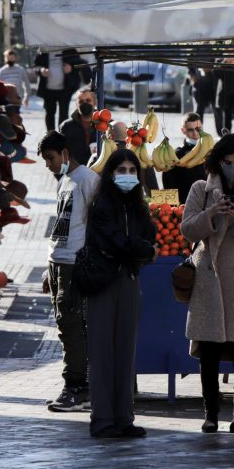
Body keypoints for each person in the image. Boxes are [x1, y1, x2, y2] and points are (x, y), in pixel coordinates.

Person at [181, 133, 234, 433]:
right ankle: (210, 414)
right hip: (208, 277)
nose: (232, 167)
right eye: (226, 162)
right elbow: (187, 230)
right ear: (217, 162)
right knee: (208, 351)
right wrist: (210, 214)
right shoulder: (200, 189)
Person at [84, 149, 157, 438]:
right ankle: (102, 418)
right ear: (110, 174)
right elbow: (119, 243)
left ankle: (124, 417)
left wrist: (142, 248)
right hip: (103, 280)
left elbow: (147, 235)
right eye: (121, 170)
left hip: (129, 279)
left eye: (131, 171)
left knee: (126, 350)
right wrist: (145, 250)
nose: (127, 176)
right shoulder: (101, 205)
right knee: (102, 351)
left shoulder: (139, 206)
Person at [39, 131, 101, 412]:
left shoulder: (87, 179)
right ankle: (75, 385)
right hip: (58, 261)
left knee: (72, 325)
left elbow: (97, 223)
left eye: (50, 158)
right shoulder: (64, 181)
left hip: (74, 264)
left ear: (64, 153)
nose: (48, 165)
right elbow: (61, 226)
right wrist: (47, 267)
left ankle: (77, 387)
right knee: (65, 326)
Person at [35, 48, 92, 132]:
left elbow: (80, 63)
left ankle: (62, 135)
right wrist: (41, 70)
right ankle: (51, 135)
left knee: (64, 114)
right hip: (48, 89)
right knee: (49, 113)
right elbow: (36, 66)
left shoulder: (69, 50)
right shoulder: (44, 50)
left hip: (65, 89)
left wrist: (71, 68)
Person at [161, 113, 207, 204]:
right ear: (183, 130)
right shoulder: (176, 155)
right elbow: (168, 188)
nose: (195, 133)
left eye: (198, 129)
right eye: (190, 130)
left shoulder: (211, 152)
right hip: (185, 208)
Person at [59, 88, 98, 167]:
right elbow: (59, 153)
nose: (84, 103)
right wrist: (62, 177)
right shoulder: (66, 126)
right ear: (77, 104)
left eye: (88, 100)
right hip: (74, 173)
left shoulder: (106, 124)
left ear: (94, 103)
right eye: (81, 101)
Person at [214, 58, 234, 135]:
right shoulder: (219, 61)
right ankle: (226, 136)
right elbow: (216, 73)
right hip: (225, 93)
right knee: (226, 117)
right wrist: (225, 62)